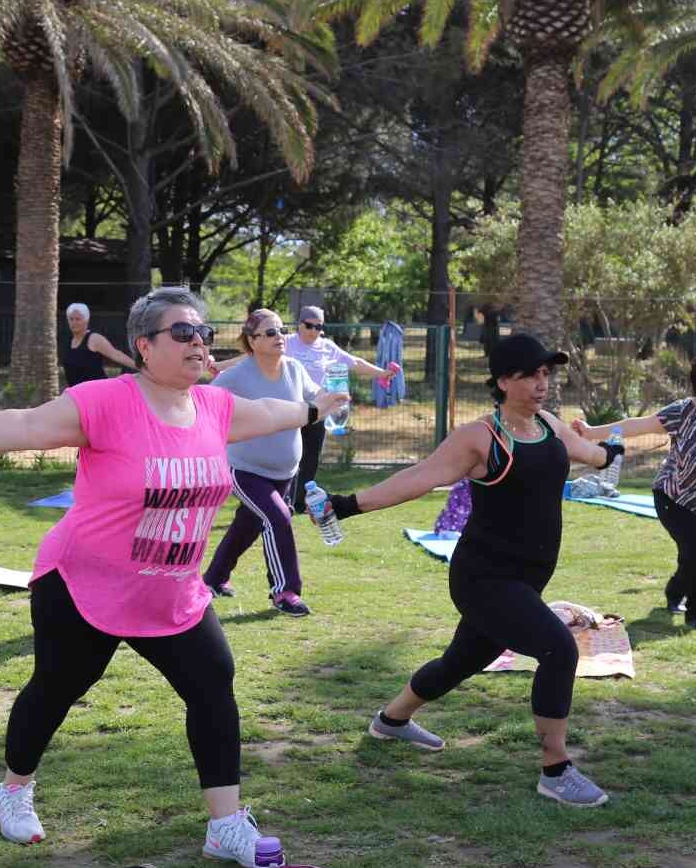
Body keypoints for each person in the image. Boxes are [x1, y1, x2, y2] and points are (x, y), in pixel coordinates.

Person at [0, 287, 346, 862]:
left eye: (203, 333)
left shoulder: (215, 407)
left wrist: (314, 409)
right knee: (58, 687)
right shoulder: (105, 401)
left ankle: (225, 825)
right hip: (84, 583)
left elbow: (273, 413)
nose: (198, 342)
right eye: (182, 332)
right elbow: (27, 426)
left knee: (212, 682)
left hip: (171, 592)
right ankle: (13, 792)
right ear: (144, 346)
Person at [320, 333, 623, 808]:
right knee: (558, 649)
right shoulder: (480, 437)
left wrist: (614, 453)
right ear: (503, 381)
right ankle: (556, 770)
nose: (542, 383)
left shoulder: (548, 425)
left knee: (463, 661)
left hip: (527, 578)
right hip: (484, 577)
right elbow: (419, 478)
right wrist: (346, 504)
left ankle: (391, 721)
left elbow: (589, 453)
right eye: (530, 375)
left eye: (546, 374)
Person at [573, 351, 696, 631]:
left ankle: (674, 592)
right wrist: (592, 432)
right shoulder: (684, 411)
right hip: (676, 499)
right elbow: (638, 425)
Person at [216, 305, 394, 512]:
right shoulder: (276, 350)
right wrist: (216, 366)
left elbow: (349, 366)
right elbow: (244, 363)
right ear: (300, 325)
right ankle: (284, 506)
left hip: (308, 423)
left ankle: (297, 502)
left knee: (305, 463)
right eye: (309, 325)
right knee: (276, 516)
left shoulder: (307, 358)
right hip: (258, 453)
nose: (314, 331)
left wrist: (339, 394)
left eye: (319, 327)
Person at [201, 309, 320, 616]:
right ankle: (285, 591)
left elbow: (316, 397)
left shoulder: (294, 369)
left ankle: (213, 579)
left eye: (280, 330)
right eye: (269, 332)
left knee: (248, 524)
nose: (279, 336)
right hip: (244, 470)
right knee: (278, 517)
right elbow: (202, 405)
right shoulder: (236, 375)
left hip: (285, 472)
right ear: (252, 342)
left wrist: (333, 400)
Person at [61, 302, 138, 387]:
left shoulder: (94, 339)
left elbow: (115, 354)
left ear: (86, 320)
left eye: (78, 319)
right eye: (71, 319)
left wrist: (139, 367)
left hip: (96, 389)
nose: (74, 322)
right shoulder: (69, 341)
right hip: (77, 391)